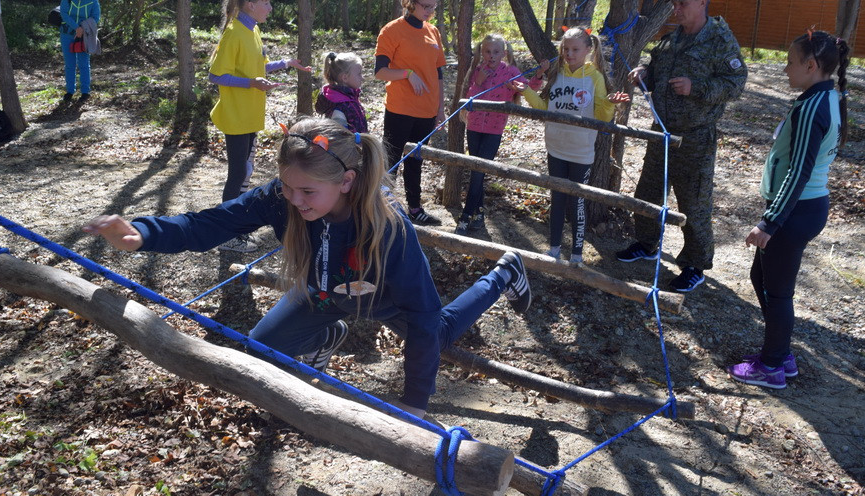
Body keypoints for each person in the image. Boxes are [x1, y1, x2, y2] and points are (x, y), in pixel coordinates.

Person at [82, 117, 534, 418]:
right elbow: (210, 225)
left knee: (439, 331)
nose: (294, 202)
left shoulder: (387, 229)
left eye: (307, 193)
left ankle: (503, 274)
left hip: (385, 301)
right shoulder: (284, 196)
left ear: (346, 182)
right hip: (322, 293)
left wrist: (415, 402)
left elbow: (421, 314)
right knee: (261, 351)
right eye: (287, 188)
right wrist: (144, 233)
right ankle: (325, 337)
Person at [727, 31, 849, 389]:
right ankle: (780, 351)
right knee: (761, 279)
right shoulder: (823, 96)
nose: (784, 69)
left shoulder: (814, 107)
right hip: (800, 208)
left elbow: (800, 171)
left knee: (777, 292)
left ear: (811, 66)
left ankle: (772, 366)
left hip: (796, 212)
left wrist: (770, 222)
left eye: (791, 62)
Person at [616, 0, 747, 292]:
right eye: (674, 3)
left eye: (682, 3)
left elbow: (736, 83)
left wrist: (697, 88)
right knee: (648, 193)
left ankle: (694, 265)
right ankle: (647, 244)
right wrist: (643, 75)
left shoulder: (719, 39)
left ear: (702, 1)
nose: (676, 9)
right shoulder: (673, 38)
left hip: (695, 136)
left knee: (693, 204)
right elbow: (657, 70)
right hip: (662, 132)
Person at [208, 0, 311, 253]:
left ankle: (236, 228)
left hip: (250, 114)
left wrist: (286, 64)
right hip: (235, 115)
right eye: (265, 2)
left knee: (245, 172)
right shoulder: (233, 33)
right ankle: (227, 235)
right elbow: (215, 75)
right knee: (238, 172)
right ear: (251, 5)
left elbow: (259, 67)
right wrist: (251, 84)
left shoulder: (252, 30)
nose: (270, 7)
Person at [521, 27, 628, 263]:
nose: (569, 53)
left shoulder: (595, 77)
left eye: (575, 49)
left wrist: (610, 103)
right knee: (557, 199)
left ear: (588, 50)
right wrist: (526, 91)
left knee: (577, 202)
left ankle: (577, 254)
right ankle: (554, 249)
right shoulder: (557, 74)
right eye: (565, 49)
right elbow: (544, 109)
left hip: (581, 152)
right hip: (555, 147)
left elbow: (601, 117)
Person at [455, 35, 544, 236]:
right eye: (487, 51)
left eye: (496, 52)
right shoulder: (478, 70)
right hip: (474, 127)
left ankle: (466, 215)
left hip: (494, 130)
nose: (491, 56)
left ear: (503, 53)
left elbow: (528, 88)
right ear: (481, 52)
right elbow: (470, 98)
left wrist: (538, 76)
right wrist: (478, 83)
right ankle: (478, 214)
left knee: (479, 171)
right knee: (477, 170)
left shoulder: (510, 72)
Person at [375, 0, 447, 226]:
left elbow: (438, 74)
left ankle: (415, 209)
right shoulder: (392, 30)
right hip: (400, 108)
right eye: (425, 5)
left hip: (426, 111)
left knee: (416, 160)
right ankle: (383, 209)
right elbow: (380, 71)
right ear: (411, 3)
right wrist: (407, 73)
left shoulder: (433, 31)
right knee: (392, 160)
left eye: (433, 7)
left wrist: (440, 108)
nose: (429, 11)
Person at [59, 0, 101, 102]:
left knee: (84, 63)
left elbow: (96, 17)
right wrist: (76, 27)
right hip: (67, 33)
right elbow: (64, 13)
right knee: (70, 64)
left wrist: (82, 27)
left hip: (84, 36)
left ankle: (85, 92)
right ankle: (70, 91)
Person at [315, 52, 368, 133]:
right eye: (359, 74)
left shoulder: (350, 98)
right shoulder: (340, 106)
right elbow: (340, 139)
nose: (362, 78)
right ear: (345, 77)